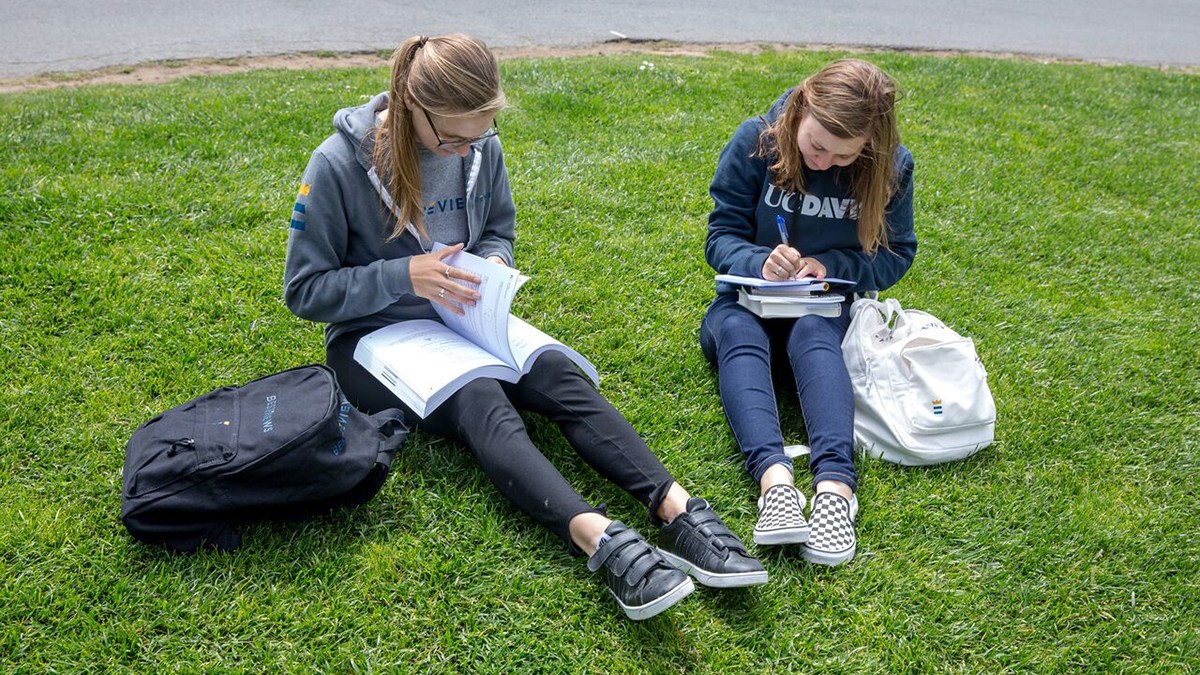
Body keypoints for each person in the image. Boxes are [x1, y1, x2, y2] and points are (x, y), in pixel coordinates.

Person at [283, 33, 766, 620]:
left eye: (478, 135)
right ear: (411, 103)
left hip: (464, 317)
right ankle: (599, 538)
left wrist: (495, 264)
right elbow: (305, 291)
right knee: (481, 398)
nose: (464, 152)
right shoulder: (335, 165)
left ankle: (676, 509)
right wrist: (404, 275)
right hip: (374, 340)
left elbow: (499, 230)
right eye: (453, 138)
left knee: (559, 373)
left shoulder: (482, 149)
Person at [700, 59, 916, 566]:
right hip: (746, 302)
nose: (823, 161)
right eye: (816, 145)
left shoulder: (893, 166)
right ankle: (775, 484)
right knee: (736, 329)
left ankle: (835, 491)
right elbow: (720, 236)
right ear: (801, 109)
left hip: (822, 308)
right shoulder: (757, 140)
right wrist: (760, 261)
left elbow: (896, 253)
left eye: (844, 155)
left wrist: (830, 264)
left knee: (814, 333)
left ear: (871, 145)